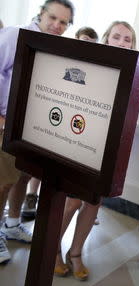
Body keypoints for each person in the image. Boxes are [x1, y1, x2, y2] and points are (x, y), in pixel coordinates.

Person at [53, 20, 137, 280]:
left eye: (127, 39)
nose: (122, 42)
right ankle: (52, 249)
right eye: (117, 37)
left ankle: (75, 253)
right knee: (72, 201)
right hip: (82, 141)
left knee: (93, 203)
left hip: (109, 148)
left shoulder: (137, 73)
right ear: (106, 40)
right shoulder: (93, 66)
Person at [0, 0, 74, 265]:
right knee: (1, 183)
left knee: (18, 179)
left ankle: (11, 224)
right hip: (4, 126)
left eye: (63, 22)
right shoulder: (15, 35)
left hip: (30, 130)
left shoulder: (55, 50)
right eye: (52, 17)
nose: (57, 25)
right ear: (41, 14)